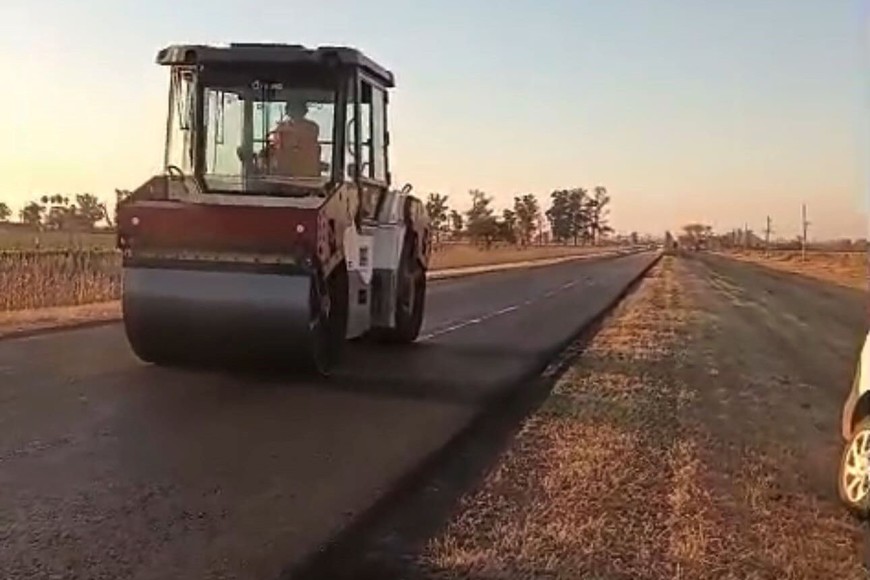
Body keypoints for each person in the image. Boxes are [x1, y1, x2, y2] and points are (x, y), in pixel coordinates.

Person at [269, 97, 322, 177]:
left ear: (304, 111)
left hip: (308, 176)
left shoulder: (311, 127)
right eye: (292, 109)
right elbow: (275, 145)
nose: (295, 112)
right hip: (284, 174)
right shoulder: (281, 128)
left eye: (297, 109)